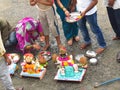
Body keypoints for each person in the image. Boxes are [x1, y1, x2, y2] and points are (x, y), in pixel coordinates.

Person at [0, 17, 23, 90]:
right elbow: (0, 45)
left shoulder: (3, 22)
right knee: (4, 74)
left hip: (8, 33)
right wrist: (6, 57)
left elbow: (4, 35)